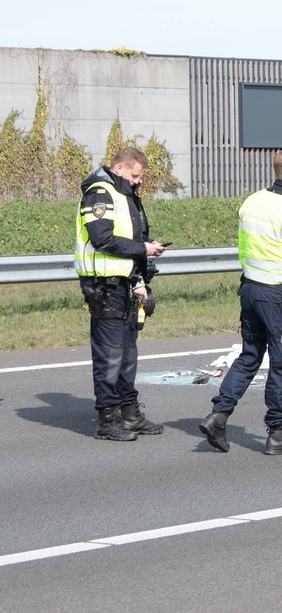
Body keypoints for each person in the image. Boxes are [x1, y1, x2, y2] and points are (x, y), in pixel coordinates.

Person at [199, 147, 282, 454]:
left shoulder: (252, 201)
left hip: (251, 289)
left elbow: (243, 246)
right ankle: (278, 433)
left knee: (250, 355)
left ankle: (218, 415)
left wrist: (252, 276)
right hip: (277, 298)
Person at [76, 147, 168, 441]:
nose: (139, 180)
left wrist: (140, 279)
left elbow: (131, 238)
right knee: (110, 355)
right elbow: (102, 239)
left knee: (127, 354)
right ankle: (108, 420)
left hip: (125, 284)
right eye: (135, 175)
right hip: (104, 286)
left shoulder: (124, 194)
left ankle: (129, 413)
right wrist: (143, 248)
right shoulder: (99, 193)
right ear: (119, 169)